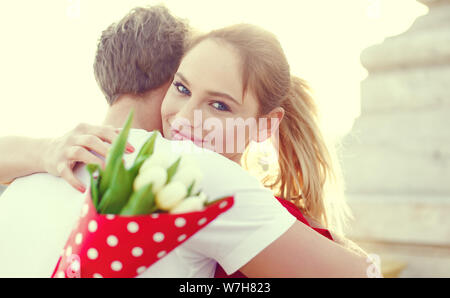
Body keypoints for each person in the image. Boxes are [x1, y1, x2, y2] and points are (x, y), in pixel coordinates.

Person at [0, 6, 375, 277]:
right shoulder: (192, 173)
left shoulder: (29, 176)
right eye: (183, 86)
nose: (187, 117)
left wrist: (38, 149)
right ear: (176, 74)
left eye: (218, 103)